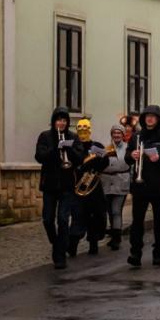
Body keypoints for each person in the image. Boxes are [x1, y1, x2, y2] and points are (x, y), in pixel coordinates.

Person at [125, 104, 160, 268]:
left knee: (159, 220)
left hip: (158, 184)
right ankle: (135, 253)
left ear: (158, 119)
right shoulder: (137, 136)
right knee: (137, 221)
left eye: (153, 116)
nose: (149, 119)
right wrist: (132, 155)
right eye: (147, 116)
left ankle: (158, 252)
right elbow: (127, 157)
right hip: (140, 185)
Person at [35, 106, 85, 269]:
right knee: (48, 219)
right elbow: (39, 156)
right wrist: (54, 150)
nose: (61, 123)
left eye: (64, 120)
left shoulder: (73, 137)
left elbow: (80, 158)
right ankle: (55, 241)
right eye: (58, 120)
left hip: (67, 185)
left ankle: (60, 255)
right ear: (53, 121)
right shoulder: (45, 136)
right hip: (49, 185)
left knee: (63, 219)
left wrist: (69, 150)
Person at [68, 117, 108, 257]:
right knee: (77, 216)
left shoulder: (96, 146)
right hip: (77, 187)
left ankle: (93, 244)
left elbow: (105, 162)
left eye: (85, 128)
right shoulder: (73, 145)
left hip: (94, 188)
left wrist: (95, 166)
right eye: (80, 128)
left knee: (96, 215)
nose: (83, 131)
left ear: (90, 130)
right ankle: (72, 246)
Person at [101, 123, 130, 251]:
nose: (116, 135)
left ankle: (117, 239)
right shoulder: (106, 148)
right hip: (106, 182)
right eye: (114, 133)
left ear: (123, 135)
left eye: (119, 133)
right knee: (110, 211)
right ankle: (113, 235)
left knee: (116, 210)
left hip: (121, 181)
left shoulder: (128, 148)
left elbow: (128, 164)